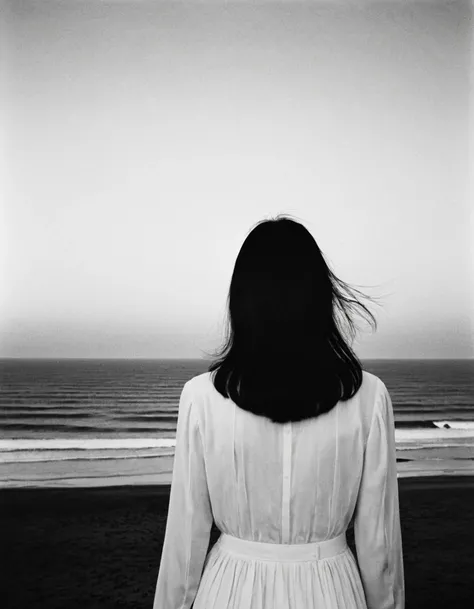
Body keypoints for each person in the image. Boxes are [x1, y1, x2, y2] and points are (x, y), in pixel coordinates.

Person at [153, 214, 405, 609]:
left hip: (228, 592)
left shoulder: (200, 397)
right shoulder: (369, 397)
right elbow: (380, 548)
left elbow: (185, 546)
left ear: (242, 299)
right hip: (332, 592)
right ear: (320, 297)